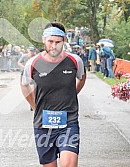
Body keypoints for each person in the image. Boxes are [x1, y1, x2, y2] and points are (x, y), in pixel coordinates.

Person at [20, 22, 86, 167]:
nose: (54, 46)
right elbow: (24, 85)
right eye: (50, 41)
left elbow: (82, 78)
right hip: (43, 124)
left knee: (69, 164)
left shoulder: (75, 61)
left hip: (68, 121)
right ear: (44, 40)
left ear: (64, 41)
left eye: (58, 42)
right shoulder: (32, 64)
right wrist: (35, 106)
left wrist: (72, 93)